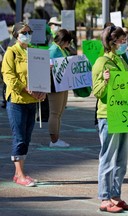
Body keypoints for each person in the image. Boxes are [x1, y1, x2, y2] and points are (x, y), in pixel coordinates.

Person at [92, 25, 128, 213]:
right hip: (108, 115)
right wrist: (107, 81)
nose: (125, 44)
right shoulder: (102, 62)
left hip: (123, 114)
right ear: (112, 42)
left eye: (125, 40)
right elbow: (98, 92)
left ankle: (115, 196)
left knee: (121, 159)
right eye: (122, 41)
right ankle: (104, 198)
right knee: (108, 158)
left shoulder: (121, 60)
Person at [1, 22, 46, 187]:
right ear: (16, 35)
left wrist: (43, 89)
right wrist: (26, 89)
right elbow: (9, 77)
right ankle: (20, 175)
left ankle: (18, 173)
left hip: (32, 101)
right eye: (24, 32)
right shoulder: (11, 53)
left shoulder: (34, 51)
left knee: (26, 138)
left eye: (30, 31)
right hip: (17, 101)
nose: (27, 34)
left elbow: (41, 73)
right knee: (19, 138)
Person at [48, 29, 72, 148]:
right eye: (68, 42)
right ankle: (54, 140)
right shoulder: (52, 50)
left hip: (62, 84)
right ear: (63, 41)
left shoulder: (61, 50)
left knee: (59, 113)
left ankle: (56, 138)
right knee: (55, 113)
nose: (69, 44)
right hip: (55, 85)